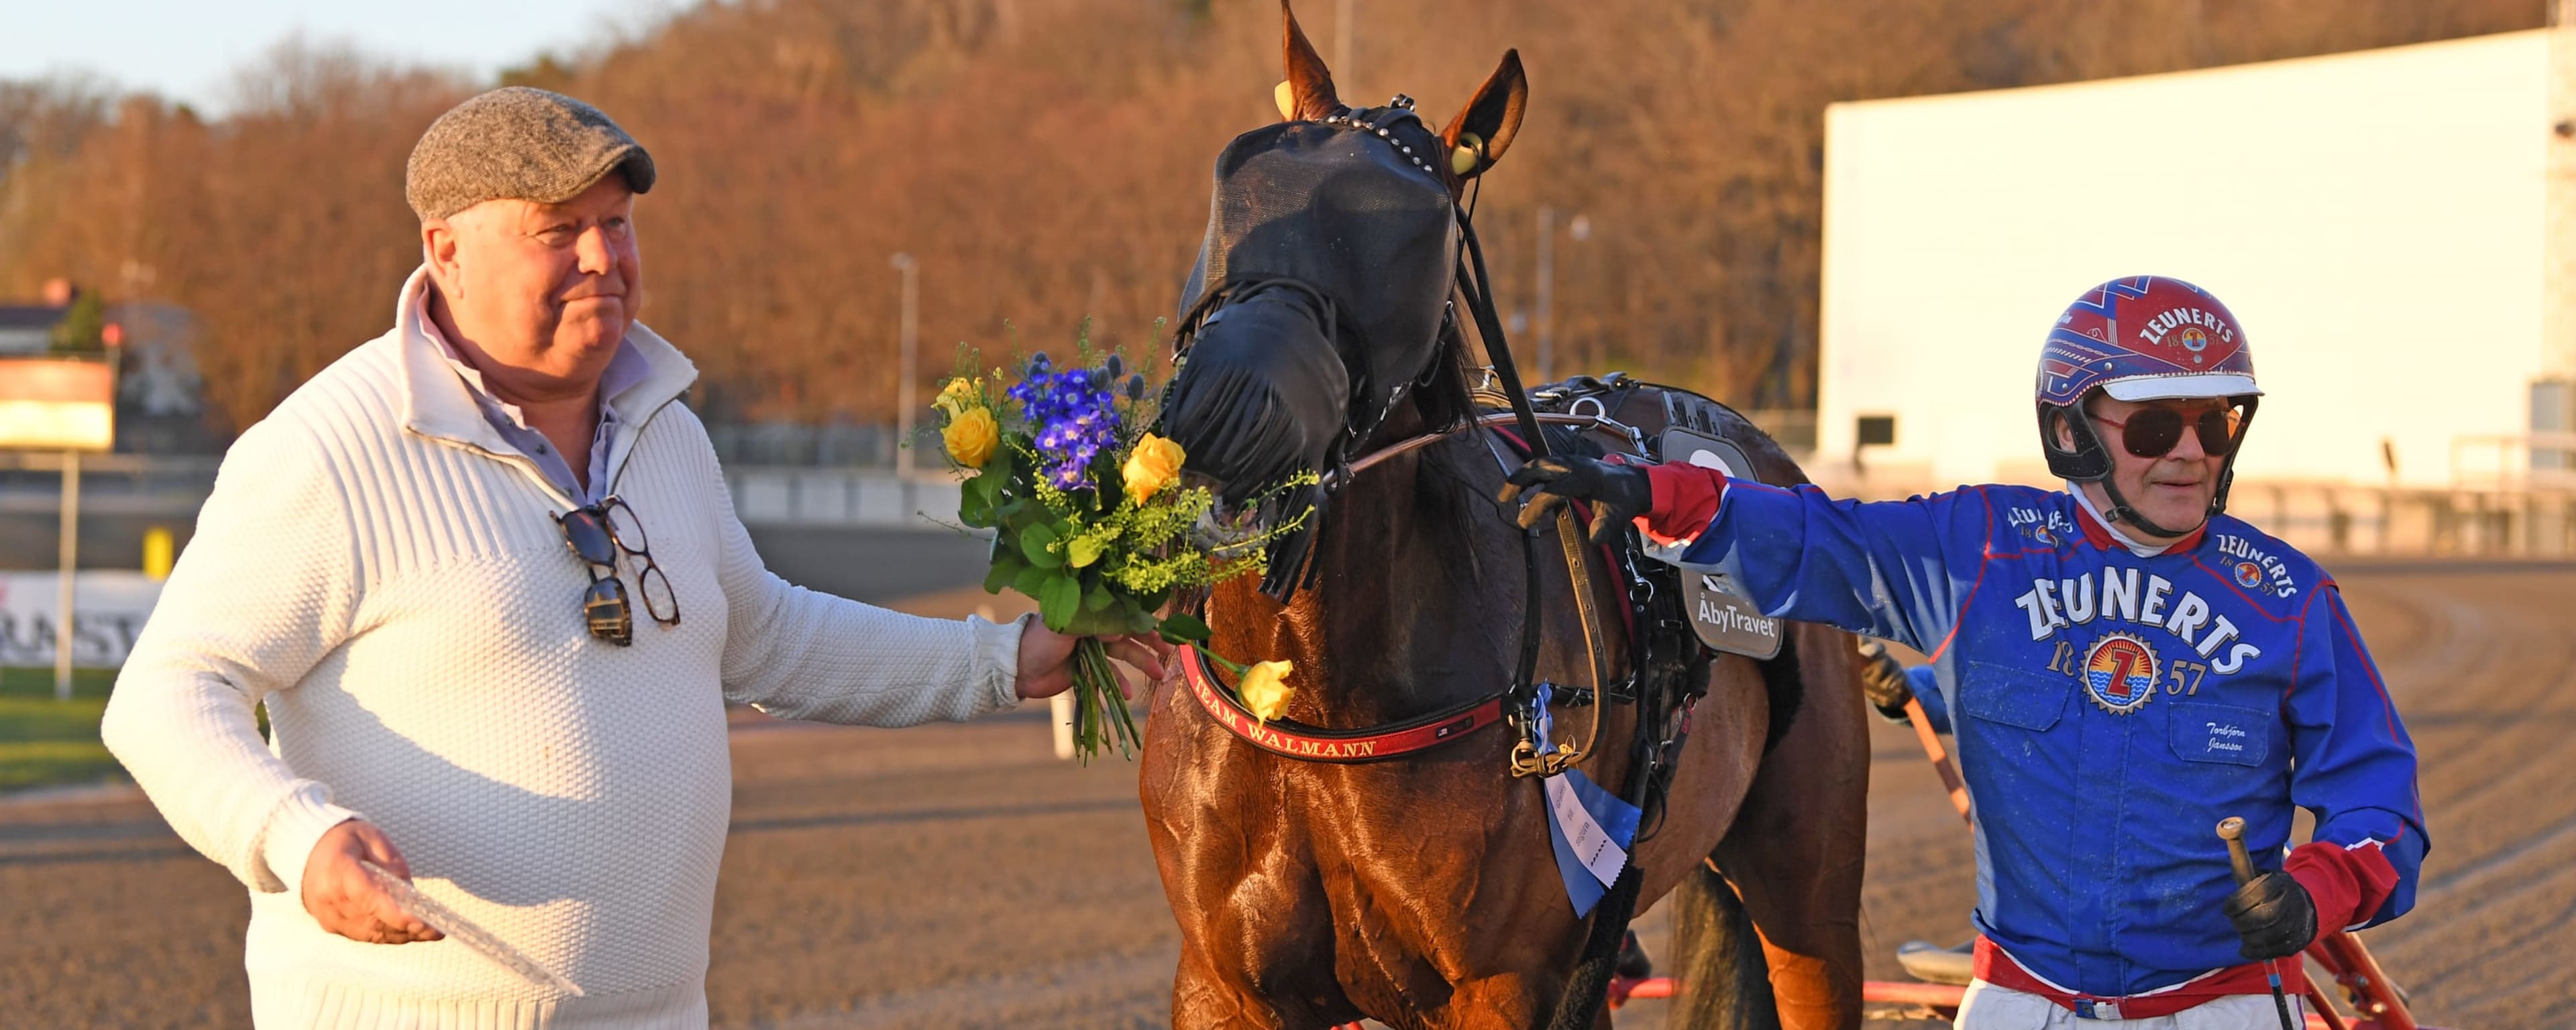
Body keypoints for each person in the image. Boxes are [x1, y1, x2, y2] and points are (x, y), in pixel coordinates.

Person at [99, 87, 1166, 1027]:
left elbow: (765, 634)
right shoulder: (329, 450)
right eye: (558, 231)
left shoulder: (665, 430)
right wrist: (296, 837)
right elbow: (166, 691)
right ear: (446, 250)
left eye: (615, 225)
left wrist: (1004, 662)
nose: (604, 258)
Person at [1502, 276, 2424, 1029]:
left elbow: (2381, 806)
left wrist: (2318, 887)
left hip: (2221, 1008)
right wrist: (1650, 488)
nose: (2190, 453)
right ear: (2070, 432)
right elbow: (1813, 537)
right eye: (2153, 426)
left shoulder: (2290, 600)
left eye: (2215, 423)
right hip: (2021, 1003)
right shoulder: (1980, 545)